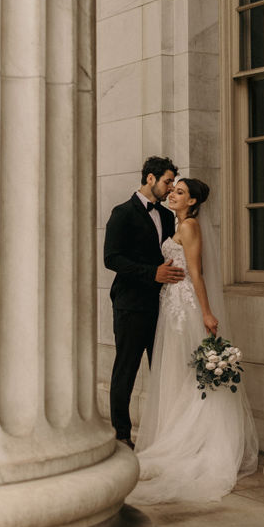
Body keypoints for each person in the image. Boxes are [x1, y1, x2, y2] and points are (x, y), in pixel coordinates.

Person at [129, 176, 258, 503]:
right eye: (173, 189)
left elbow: (197, 273)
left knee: (193, 376)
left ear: (193, 202)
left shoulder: (190, 228)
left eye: (180, 192)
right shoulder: (179, 225)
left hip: (186, 308)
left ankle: (196, 441)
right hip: (171, 306)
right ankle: (176, 435)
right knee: (176, 372)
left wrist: (206, 313)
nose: (173, 193)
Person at [103, 156, 184, 446]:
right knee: (126, 368)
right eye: (166, 181)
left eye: (173, 182)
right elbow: (111, 258)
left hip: (162, 304)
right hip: (131, 304)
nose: (170, 187)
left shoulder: (165, 215)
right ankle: (121, 434)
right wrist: (153, 273)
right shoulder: (122, 212)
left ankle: (164, 433)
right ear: (150, 178)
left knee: (162, 369)